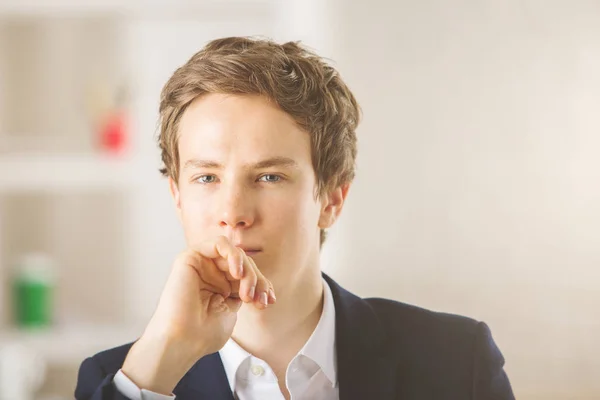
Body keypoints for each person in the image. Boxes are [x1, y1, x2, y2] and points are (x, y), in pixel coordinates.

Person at [74, 37, 515, 400]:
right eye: (206, 177)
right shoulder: (123, 380)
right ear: (177, 196)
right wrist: (156, 367)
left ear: (332, 198)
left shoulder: (457, 361)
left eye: (269, 176)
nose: (233, 214)